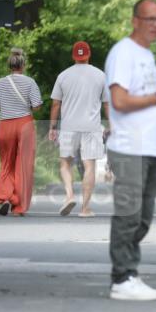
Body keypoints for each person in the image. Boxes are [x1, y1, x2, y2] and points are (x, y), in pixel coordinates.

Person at [105, 0, 156, 301]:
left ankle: (129, 272)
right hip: (130, 146)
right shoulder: (124, 53)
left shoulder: (146, 55)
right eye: (150, 19)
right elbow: (119, 100)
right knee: (129, 214)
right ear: (135, 21)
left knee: (143, 216)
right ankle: (123, 277)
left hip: (150, 148)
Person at [49, 41, 110, 217]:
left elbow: (55, 104)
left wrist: (53, 127)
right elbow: (107, 105)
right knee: (89, 165)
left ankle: (69, 196)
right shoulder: (100, 76)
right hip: (91, 127)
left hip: (69, 127)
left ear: (73, 56)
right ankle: (85, 209)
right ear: (88, 54)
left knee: (65, 163)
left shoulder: (63, 76)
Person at [0, 48, 43, 216]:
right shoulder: (30, 82)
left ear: (9, 65)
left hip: (5, 125)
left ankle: (5, 197)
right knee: (24, 166)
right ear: (23, 64)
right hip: (25, 125)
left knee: (7, 163)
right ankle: (19, 207)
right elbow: (36, 106)